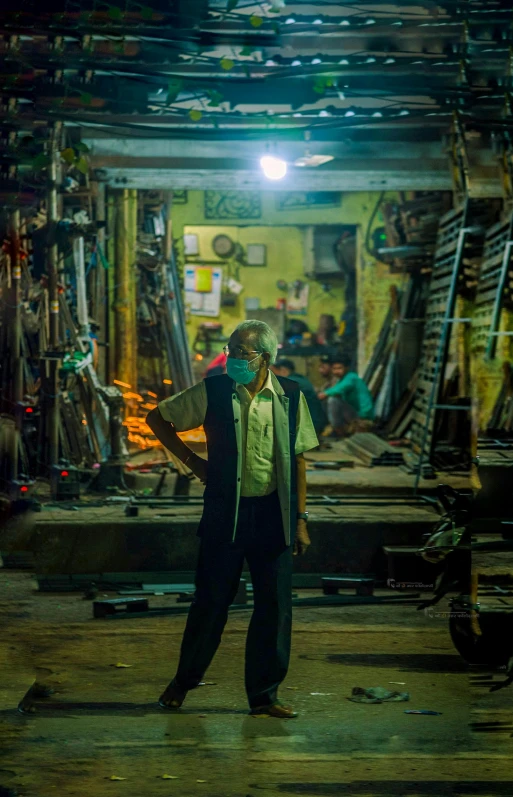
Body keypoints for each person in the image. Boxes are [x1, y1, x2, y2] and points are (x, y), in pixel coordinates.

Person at [146, 320, 319, 719]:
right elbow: (158, 418)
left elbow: (298, 460)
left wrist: (300, 520)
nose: (234, 357)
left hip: (273, 514)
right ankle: (183, 682)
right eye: (232, 349)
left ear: (266, 358)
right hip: (226, 513)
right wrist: (192, 462)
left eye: (243, 352)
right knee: (210, 602)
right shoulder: (215, 391)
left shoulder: (290, 396)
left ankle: (264, 696)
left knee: (274, 608)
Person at [317, 354, 375, 437]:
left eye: (339, 368)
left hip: (363, 416)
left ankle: (339, 431)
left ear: (347, 368)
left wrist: (324, 394)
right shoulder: (341, 380)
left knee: (333, 401)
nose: (336, 371)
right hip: (354, 414)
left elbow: (340, 388)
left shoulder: (351, 377)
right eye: (334, 369)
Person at [272, 358, 326, 438]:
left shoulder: (289, 383)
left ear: (283, 370)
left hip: (307, 427)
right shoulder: (301, 379)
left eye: (273, 372)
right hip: (315, 425)